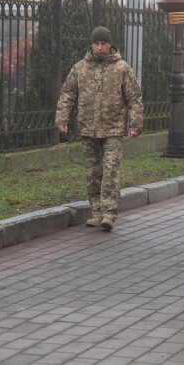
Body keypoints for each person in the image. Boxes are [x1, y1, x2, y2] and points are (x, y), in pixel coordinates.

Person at [55, 26, 143, 230]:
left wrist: (135, 124)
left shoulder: (122, 68)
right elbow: (68, 94)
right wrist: (62, 118)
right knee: (93, 173)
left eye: (103, 43)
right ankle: (96, 212)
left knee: (110, 171)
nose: (100, 47)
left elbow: (134, 98)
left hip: (113, 129)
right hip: (88, 128)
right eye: (96, 44)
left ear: (110, 44)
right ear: (92, 45)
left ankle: (109, 213)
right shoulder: (80, 68)